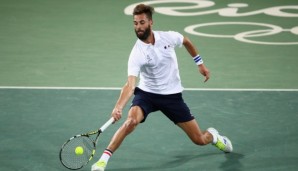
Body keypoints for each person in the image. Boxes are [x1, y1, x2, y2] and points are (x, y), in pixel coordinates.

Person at [91, 4, 232, 171]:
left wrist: (199, 64)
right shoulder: (136, 53)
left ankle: (214, 137)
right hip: (147, 94)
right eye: (135, 23)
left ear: (151, 22)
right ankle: (103, 161)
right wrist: (118, 106)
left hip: (172, 96)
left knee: (199, 139)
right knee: (130, 122)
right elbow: (130, 85)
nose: (138, 27)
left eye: (142, 22)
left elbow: (186, 41)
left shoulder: (168, 37)